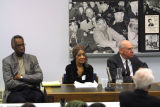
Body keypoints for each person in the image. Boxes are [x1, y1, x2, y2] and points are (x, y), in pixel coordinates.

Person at [2, 35, 44, 103]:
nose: (22, 47)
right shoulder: (7, 61)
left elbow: (39, 77)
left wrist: (21, 77)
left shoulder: (32, 58)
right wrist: (29, 81)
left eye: (23, 44)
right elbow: (9, 83)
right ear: (13, 47)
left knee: (39, 97)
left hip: (32, 90)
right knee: (19, 101)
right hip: (15, 91)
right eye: (19, 45)